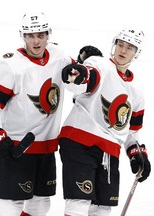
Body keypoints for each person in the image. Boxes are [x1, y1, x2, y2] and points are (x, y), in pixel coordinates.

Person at [0, 11, 76, 216]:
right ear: (23, 36)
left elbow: (77, 76)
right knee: (11, 205)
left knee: (41, 204)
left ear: (49, 34)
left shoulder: (59, 56)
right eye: (31, 36)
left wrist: (84, 64)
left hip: (47, 146)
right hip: (17, 147)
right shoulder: (11, 66)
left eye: (40, 35)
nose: (36, 41)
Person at [58, 29, 151, 216]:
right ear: (114, 46)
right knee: (79, 203)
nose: (123, 51)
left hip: (109, 152)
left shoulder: (137, 92)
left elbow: (132, 131)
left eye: (130, 48)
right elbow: (88, 78)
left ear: (136, 53)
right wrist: (78, 74)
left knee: (102, 209)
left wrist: (137, 154)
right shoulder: (99, 63)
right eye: (120, 45)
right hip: (80, 142)